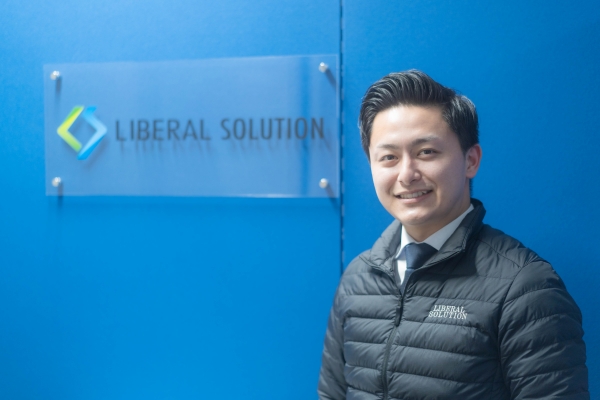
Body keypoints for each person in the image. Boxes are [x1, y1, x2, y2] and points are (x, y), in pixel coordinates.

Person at [318, 70, 588, 399]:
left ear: (471, 160)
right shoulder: (358, 279)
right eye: (388, 157)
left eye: (426, 152)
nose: (406, 174)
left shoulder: (525, 288)